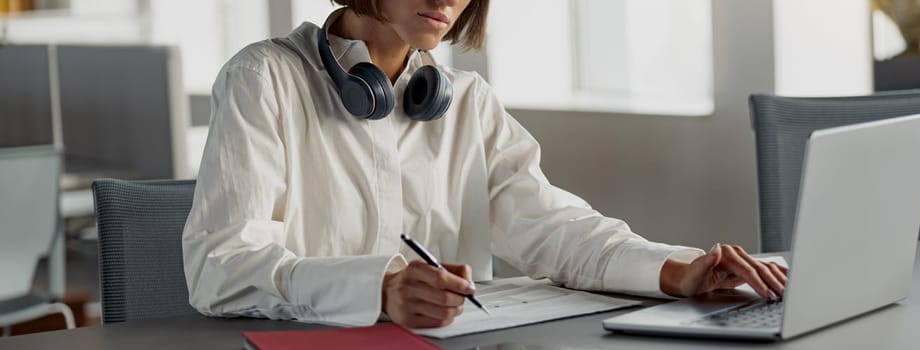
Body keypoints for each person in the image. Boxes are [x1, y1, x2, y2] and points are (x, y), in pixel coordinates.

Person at [182, 0, 787, 328]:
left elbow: (554, 230)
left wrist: (675, 271)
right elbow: (222, 268)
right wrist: (378, 289)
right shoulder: (263, 79)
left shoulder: (466, 100)